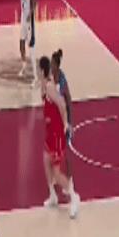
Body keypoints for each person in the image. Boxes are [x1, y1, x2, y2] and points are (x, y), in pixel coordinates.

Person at [38, 56, 80, 219]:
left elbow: (62, 103)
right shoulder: (44, 85)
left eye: (38, 69)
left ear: (42, 70)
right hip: (50, 132)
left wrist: (65, 123)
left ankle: (74, 197)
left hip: (56, 134)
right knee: (45, 160)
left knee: (56, 173)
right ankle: (53, 195)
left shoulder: (49, 87)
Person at [51, 49, 74, 184]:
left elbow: (68, 100)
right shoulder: (51, 77)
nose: (51, 65)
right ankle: (56, 175)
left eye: (52, 63)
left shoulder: (62, 80)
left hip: (63, 119)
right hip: (55, 118)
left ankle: (70, 179)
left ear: (56, 65)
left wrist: (69, 122)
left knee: (64, 151)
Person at [18, 0, 36, 80]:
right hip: (23, 18)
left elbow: (34, 0)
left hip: (29, 19)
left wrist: (31, 13)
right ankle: (24, 66)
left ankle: (35, 75)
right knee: (21, 43)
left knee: (31, 46)